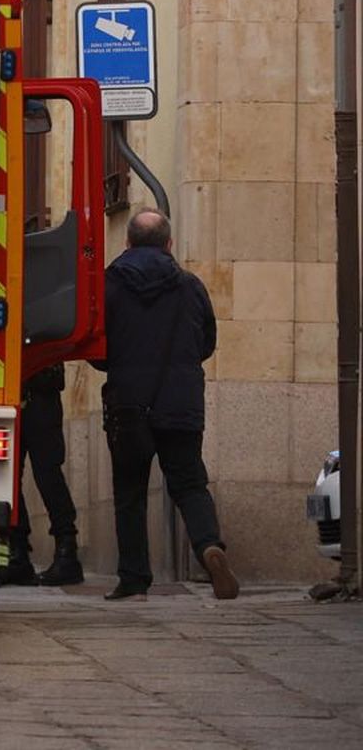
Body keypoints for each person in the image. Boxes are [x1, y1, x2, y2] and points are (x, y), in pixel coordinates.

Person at [95, 208, 238, 601]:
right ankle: (209, 547)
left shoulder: (109, 285)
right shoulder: (191, 286)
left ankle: (134, 579)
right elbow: (206, 343)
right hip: (180, 403)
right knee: (190, 484)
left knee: (129, 491)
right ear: (169, 244)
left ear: (127, 244)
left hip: (129, 405)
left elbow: (98, 350)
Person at [0, 364, 84, 587]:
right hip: (13, 396)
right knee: (9, 476)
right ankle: (19, 553)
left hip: (41, 396)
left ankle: (67, 551)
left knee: (47, 475)